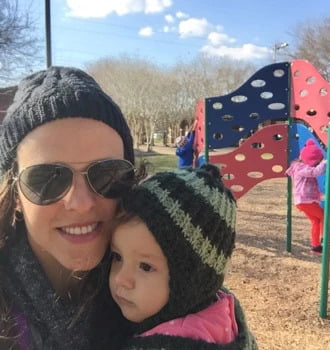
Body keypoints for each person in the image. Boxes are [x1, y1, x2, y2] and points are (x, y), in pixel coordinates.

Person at [0, 66, 143, 349]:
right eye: (48, 178)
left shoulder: (173, 283)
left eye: (107, 174)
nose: (81, 203)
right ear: (15, 192)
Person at [109, 164, 258, 349]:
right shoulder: (218, 312)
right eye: (117, 256)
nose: (121, 279)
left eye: (146, 266)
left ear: (190, 283)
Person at [285, 139, 330, 255]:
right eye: (316, 162)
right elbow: (315, 172)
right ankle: (326, 237)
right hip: (305, 200)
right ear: (310, 160)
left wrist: (321, 196)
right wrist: (326, 162)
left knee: (316, 220)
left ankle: (316, 247)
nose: (316, 165)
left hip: (305, 200)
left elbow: (310, 184)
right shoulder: (301, 167)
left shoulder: (303, 167)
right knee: (325, 216)